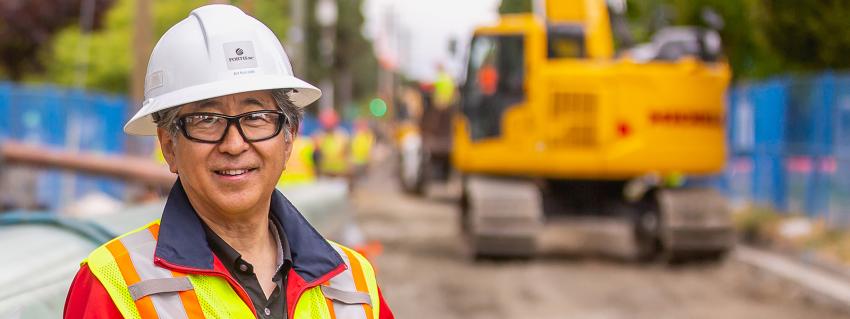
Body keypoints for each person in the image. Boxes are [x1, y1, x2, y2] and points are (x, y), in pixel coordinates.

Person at [64, 5, 393, 319]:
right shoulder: (114, 286)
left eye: (256, 117)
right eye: (207, 119)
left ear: (288, 137)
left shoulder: (354, 284)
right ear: (169, 146)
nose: (234, 144)